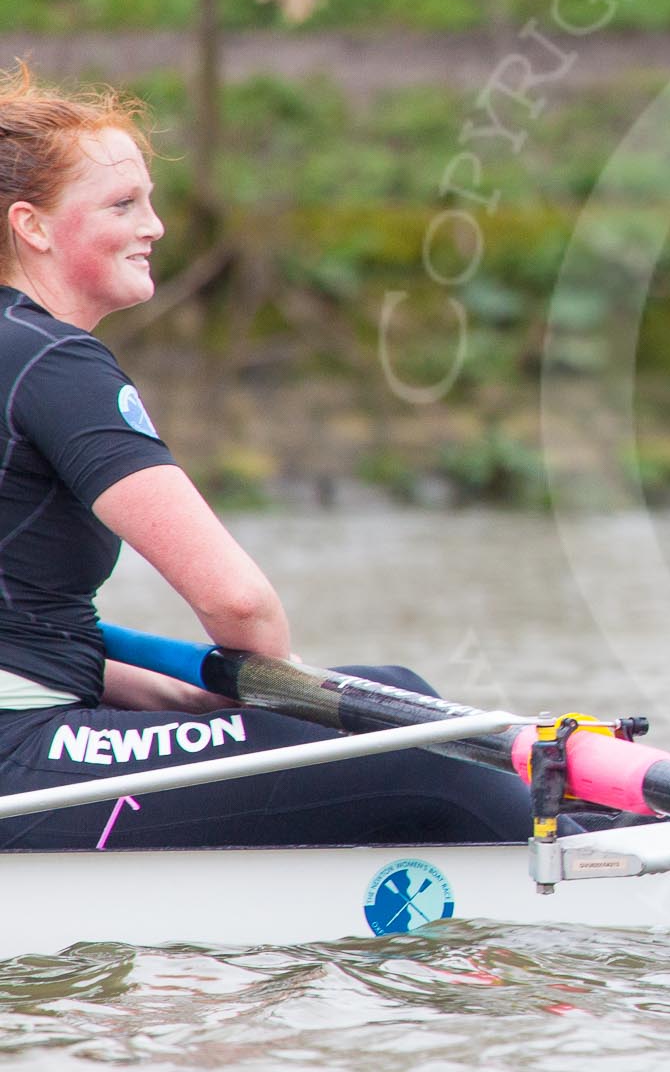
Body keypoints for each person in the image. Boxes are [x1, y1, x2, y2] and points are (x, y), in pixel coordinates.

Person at [0, 62, 531, 848]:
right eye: (123, 204)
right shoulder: (52, 364)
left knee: (394, 698)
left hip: (35, 724)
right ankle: (604, 860)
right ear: (32, 226)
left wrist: (178, 700)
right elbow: (239, 606)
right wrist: (279, 708)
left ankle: (577, 822)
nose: (156, 227)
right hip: (19, 758)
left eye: (150, 200)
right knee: (410, 756)